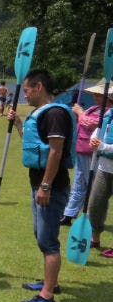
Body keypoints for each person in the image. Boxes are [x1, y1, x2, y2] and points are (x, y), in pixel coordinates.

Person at [7, 70, 75, 302]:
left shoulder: (55, 114)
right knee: (41, 235)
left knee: (48, 242)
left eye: (26, 90)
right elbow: (34, 143)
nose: (24, 94)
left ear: (38, 87)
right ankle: (50, 282)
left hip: (51, 186)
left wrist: (45, 186)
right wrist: (17, 124)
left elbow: (55, 152)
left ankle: (47, 294)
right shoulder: (42, 114)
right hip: (39, 183)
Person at [61, 83, 110, 226]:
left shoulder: (108, 112)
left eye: (98, 95)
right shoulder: (93, 108)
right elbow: (81, 124)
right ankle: (69, 214)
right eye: (94, 94)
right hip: (82, 150)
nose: (95, 97)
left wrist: (80, 112)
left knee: (94, 187)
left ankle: (92, 218)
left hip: (95, 153)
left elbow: (91, 124)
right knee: (79, 183)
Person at [87, 88, 113, 252]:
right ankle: (94, 239)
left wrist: (103, 146)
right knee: (96, 204)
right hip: (104, 167)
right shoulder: (107, 115)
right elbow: (98, 131)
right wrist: (93, 139)